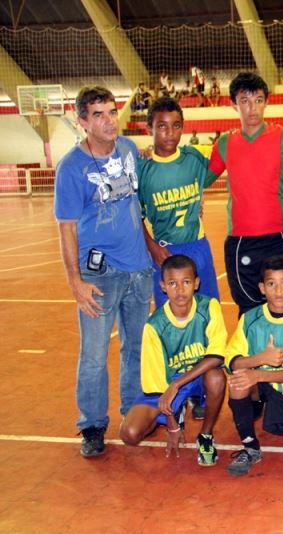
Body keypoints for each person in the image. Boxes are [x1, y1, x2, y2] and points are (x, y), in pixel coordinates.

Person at [54, 86, 153, 458]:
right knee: (94, 353)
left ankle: (133, 412)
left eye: (112, 112)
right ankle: (93, 424)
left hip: (139, 269)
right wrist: (75, 281)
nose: (109, 120)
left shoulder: (128, 149)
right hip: (99, 275)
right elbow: (66, 228)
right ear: (82, 121)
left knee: (136, 347)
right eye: (98, 114)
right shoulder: (71, 169)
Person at [206, 72, 283, 315]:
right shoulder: (224, 144)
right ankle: (251, 355)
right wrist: (153, 155)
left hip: (278, 238)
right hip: (241, 242)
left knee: (281, 307)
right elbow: (200, 178)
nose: (252, 108)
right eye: (244, 101)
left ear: (267, 102)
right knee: (248, 310)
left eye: (258, 100)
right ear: (233, 104)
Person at [118, 255, 227, 466]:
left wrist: (178, 384)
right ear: (162, 286)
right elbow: (159, 387)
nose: (180, 290)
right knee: (129, 434)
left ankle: (205, 436)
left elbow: (216, 356)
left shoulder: (209, 307)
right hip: (167, 385)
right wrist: (172, 426)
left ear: (196, 283)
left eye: (186, 282)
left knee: (216, 378)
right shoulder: (154, 327)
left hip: (198, 376)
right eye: (172, 283)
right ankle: (175, 413)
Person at [224, 256, 283, 476]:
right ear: (262, 288)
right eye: (271, 284)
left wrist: (258, 375)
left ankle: (281, 417)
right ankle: (250, 447)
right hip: (259, 386)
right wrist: (261, 359)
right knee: (238, 381)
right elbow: (233, 361)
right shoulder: (250, 319)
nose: (278, 290)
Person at [138, 97, 220, 311]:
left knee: (209, 312)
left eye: (176, 126)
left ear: (182, 128)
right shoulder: (141, 169)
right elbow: (134, 216)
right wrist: (151, 246)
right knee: (171, 318)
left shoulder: (194, 157)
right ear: (149, 129)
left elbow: (229, 151)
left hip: (198, 245)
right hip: (165, 250)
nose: (170, 133)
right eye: (162, 127)